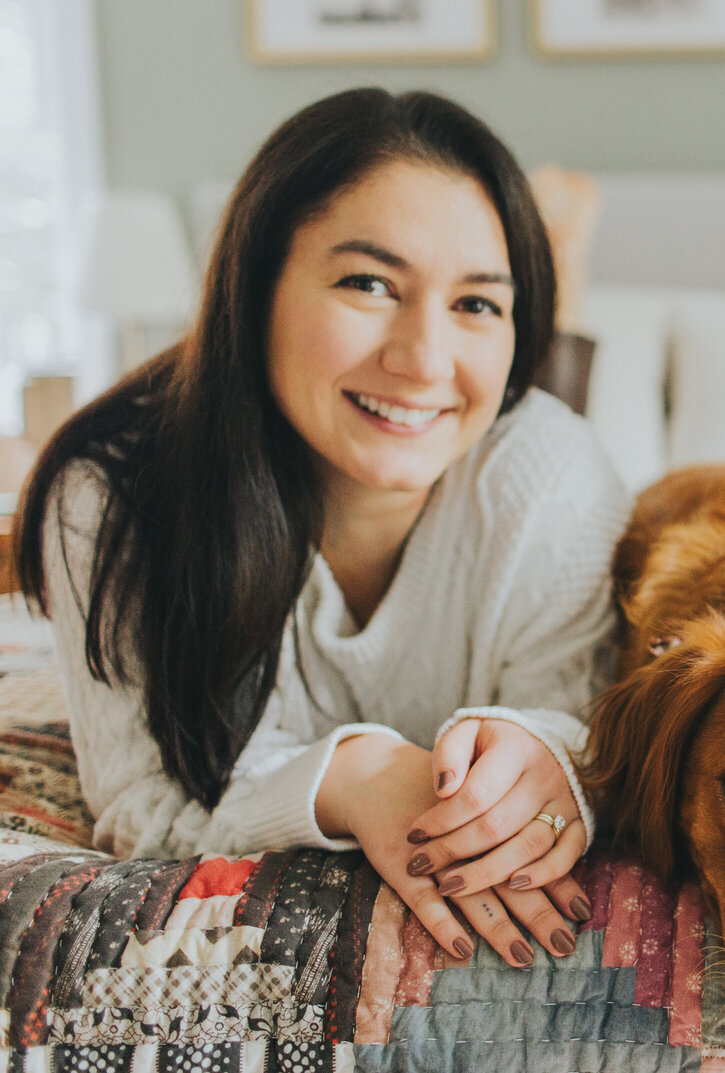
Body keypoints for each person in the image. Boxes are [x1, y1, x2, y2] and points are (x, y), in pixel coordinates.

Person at [14, 89, 629, 967]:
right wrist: (355, 780)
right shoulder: (112, 496)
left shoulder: (553, 475)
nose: (422, 359)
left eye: (478, 305)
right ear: (255, 286)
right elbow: (139, 805)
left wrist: (552, 758)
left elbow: (584, 732)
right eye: (368, 283)